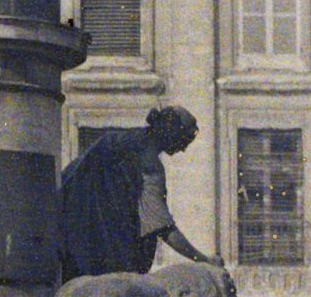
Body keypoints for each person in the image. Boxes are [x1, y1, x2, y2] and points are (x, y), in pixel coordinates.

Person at [57, 104, 223, 282]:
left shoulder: (112, 139)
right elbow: (162, 227)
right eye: (184, 141)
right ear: (171, 132)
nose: (183, 149)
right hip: (108, 265)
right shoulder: (150, 165)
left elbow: (68, 178)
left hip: (67, 246)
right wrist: (204, 260)